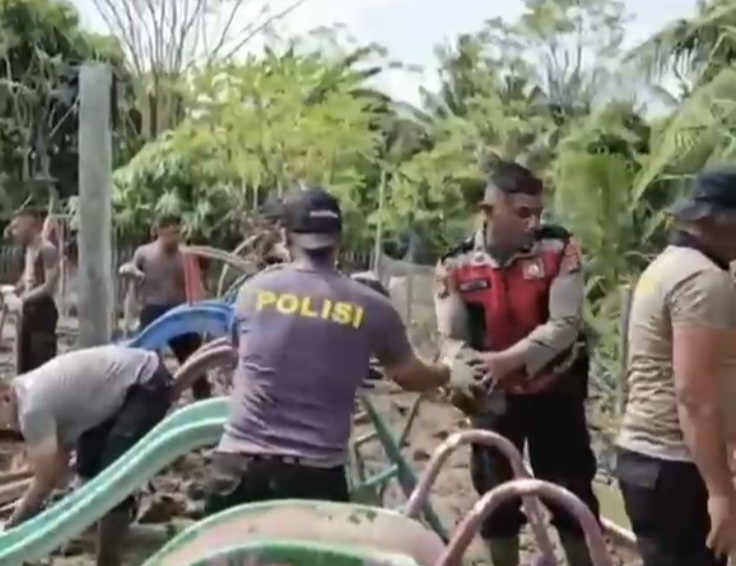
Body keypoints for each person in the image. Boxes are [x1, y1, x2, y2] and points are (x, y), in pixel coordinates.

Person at [203, 186, 452, 514]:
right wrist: (448, 370)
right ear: (339, 240)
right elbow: (409, 375)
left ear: (287, 237)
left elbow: (241, 353)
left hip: (237, 470)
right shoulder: (372, 306)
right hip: (315, 476)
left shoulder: (253, 291)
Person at [433, 160, 597, 566]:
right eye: (522, 213)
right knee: (494, 499)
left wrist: (509, 360)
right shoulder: (454, 264)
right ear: (489, 211)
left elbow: (565, 324)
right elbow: (451, 338)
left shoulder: (559, 248)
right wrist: (460, 372)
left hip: (554, 387)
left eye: (538, 213)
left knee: (570, 491)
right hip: (494, 395)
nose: (533, 223)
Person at [0, 344, 194, 566]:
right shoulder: (26, 386)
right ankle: (100, 528)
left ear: (4, 397)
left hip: (144, 383)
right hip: (125, 382)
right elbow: (61, 456)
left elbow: (45, 479)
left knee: (114, 475)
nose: (0, 426)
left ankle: (108, 558)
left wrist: (16, 524)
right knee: (87, 465)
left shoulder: (31, 410)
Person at [615, 169, 736, 566]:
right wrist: (720, 492)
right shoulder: (704, 280)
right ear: (723, 220)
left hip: (645, 460)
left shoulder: (666, 266)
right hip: (677, 468)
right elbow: (694, 394)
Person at [119, 214, 209, 399]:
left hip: (179, 312)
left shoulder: (185, 256)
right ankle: (150, 402)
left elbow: (197, 287)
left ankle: (202, 399)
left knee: (195, 362)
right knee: (148, 364)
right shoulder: (144, 253)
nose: (176, 237)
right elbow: (132, 284)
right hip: (153, 311)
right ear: (160, 231)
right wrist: (129, 319)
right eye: (172, 232)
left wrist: (200, 317)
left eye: (178, 232)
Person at [5, 208, 61, 374]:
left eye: (17, 226)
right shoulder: (28, 248)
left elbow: (49, 285)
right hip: (27, 310)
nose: (14, 232)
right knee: (23, 360)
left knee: (40, 363)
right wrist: (14, 290)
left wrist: (22, 300)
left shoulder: (47, 249)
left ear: (31, 225)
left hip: (42, 311)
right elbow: (27, 277)